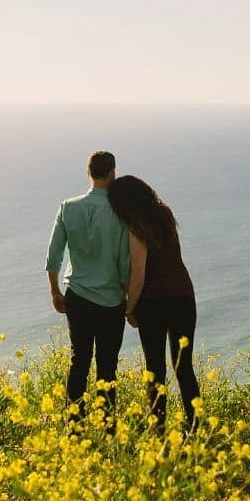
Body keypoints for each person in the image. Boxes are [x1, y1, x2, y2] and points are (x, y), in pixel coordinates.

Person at [107, 174, 199, 436]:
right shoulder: (165, 214)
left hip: (153, 303)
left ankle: (158, 431)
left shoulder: (135, 227)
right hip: (183, 296)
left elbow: (138, 277)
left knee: (155, 369)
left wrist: (129, 309)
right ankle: (194, 427)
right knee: (184, 367)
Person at [45, 150, 131, 430]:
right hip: (109, 300)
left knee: (79, 360)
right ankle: (107, 427)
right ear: (112, 172)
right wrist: (129, 298)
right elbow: (123, 261)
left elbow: (54, 254)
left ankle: (74, 426)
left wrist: (55, 291)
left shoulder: (68, 207)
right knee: (107, 365)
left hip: (78, 295)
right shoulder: (119, 211)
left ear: (89, 172)